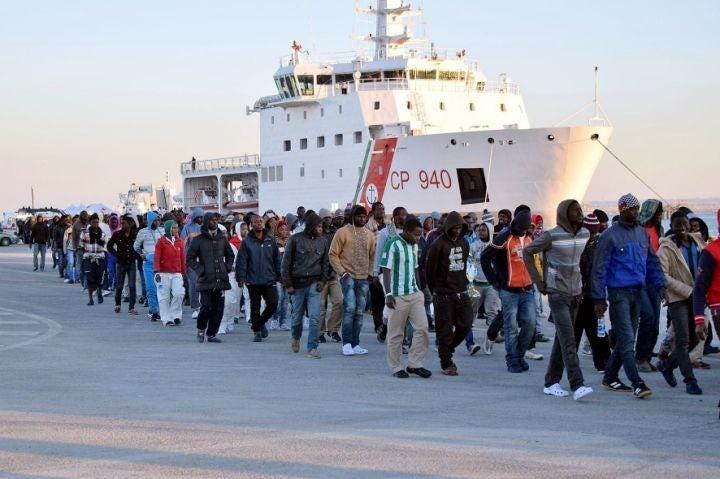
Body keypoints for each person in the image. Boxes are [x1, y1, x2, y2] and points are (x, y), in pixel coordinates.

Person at [591, 194, 668, 398]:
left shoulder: (642, 234)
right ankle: (637, 382)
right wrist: (599, 298)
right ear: (622, 210)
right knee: (626, 337)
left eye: (637, 209)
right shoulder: (610, 236)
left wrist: (661, 286)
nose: (636, 212)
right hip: (618, 294)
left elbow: (652, 262)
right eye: (632, 209)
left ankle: (609, 377)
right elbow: (599, 269)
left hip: (638, 292)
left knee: (628, 338)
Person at [523, 200, 593, 400]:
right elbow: (527, 252)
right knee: (569, 340)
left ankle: (551, 382)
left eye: (580, 210)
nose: (580, 213)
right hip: (557, 294)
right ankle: (577, 384)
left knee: (561, 339)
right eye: (575, 210)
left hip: (576, 294)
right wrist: (539, 281)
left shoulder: (584, 234)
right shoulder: (551, 236)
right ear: (564, 214)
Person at [481, 210, 536, 373]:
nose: (524, 230)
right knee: (510, 327)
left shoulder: (529, 237)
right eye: (522, 228)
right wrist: (495, 281)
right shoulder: (504, 237)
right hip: (509, 290)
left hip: (527, 288)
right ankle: (512, 359)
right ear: (516, 225)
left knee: (530, 323)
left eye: (526, 228)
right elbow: (485, 257)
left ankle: (518, 355)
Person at [655, 212, 704, 395]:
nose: (682, 228)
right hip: (678, 299)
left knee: (695, 339)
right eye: (678, 224)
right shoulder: (665, 249)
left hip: (697, 298)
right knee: (682, 340)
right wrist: (688, 291)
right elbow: (664, 277)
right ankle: (690, 380)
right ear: (672, 226)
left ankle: (667, 365)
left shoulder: (698, 242)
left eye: (685, 224)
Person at [380, 217, 431, 378]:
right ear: (407, 231)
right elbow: (385, 269)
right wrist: (388, 294)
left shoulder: (414, 246)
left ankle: (415, 363)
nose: (418, 238)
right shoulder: (393, 243)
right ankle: (396, 367)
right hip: (397, 295)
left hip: (414, 294)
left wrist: (419, 289)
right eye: (416, 235)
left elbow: (415, 268)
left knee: (422, 328)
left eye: (420, 235)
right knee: (396, 333)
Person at [425, 211, 473, 376]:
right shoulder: (438, 245)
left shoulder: (464, 243)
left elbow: (465, 264)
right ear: (448, 227)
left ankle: (447, 348)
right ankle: (446, 362)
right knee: (444, 330)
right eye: (454, 228)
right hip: (443, 294)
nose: (457, 231)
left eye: (460, 228)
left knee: (466, 323)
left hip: (461, 291)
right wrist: (435, 291)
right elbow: (430, 271)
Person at [329, 205, 376, 356]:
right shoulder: (342, 232)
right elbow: (333, 254)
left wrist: (370, 273)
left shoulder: (369, 235)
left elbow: (372, 255)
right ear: (353, 217)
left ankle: (356, 344)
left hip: (363, 278)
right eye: (359, 216)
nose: (362, 219)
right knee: (349, 309)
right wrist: (342, 273)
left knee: (359, 312)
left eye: (364, 217)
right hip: (347, 277)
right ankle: (347, 344)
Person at [282, 212, 329, 359]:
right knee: (297, 318)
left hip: (314, 285)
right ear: (310, 226)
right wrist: (288, 284)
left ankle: (312, 348)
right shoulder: (295, 240)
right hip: (297, 285)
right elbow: (285, 263)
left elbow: (325, 263)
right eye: (318, 226)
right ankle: (296, 337)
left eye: (322, 226)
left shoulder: (323, 241)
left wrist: (322, 281)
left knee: (315, 317)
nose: (321, 229)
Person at [187, 213, 235, 343]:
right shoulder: (199, 239)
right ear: (207, 222)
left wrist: (227, 267)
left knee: (219, 308)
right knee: (206, 306)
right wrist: (200, 270)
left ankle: (212, 333)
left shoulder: (222, 239)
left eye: (216, 220)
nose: (214, 222)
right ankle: (201, 329)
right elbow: (190, 258)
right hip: (206, 279)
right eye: (212, 220)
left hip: (221, 278)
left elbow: (230, 255)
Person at [574, 213, 611, 372]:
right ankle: (600, 363)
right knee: (581, 332)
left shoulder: (593, 246)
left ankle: (603, 362)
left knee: (596, 331)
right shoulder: (585, 246)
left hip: (591, 296)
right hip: (582, 296)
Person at [235, 214, 281, 342]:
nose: (259, 223)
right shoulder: (246, 242)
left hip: (269, 279)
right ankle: (257, 332)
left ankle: (259, 323)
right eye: (256, 222)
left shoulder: (270, 240)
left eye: (261, 221)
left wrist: (279, 275)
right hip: (253, 280)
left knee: (273, 304)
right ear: (252, 224)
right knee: (255, 307)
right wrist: (241, 277)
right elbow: (242, 261)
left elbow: (277, 259)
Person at [636, 199, 664, 372]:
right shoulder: (638, 230)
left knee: (655, 322)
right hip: (639, 280)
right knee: (647, 317)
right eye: (658, 213)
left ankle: (646, 356)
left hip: (654, 280)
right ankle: (640, 358)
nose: (660, 216)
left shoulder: (658, 230)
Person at [373, 206, 408, 342]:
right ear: (395, 217)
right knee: (392, 302)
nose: (404, 218)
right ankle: (386, 325)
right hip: (387, 274)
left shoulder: (408, 232)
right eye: (401, 215)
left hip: (403, 273)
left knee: (402, 304)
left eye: (406, 215)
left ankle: (398, 334)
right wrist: (375, 273)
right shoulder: (385, 232)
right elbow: (379, 253)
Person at [467, 223, 500, 355]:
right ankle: (470, 343)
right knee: (470, 313)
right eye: (479, 230)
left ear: (490, 230)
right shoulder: (473, 246)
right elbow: (469, 263)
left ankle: (490, 338)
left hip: (491, 285)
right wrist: (469, 281)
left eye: (484, 229)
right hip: (475, 284)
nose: (481, 232)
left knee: (492, 312)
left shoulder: (495, 246)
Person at [154, 220, 186, 327]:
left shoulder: (179, 242)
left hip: (176, 273)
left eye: (177, 227)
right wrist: (157, 271)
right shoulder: (161, 242)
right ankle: (166, 318)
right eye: (174, 228)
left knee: (179, 293)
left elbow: (182, 258)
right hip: (163, 273)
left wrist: (183, 272)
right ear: (168, 229)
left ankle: (175, 315)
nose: (177, 230)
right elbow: (157, 257)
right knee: (164, 297)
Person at [319, 209, 343, 343]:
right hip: (320, 276)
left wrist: (336, 270)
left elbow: (339, 253)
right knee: (321, 306)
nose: (328, 220)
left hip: (334, 274)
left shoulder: (336, 232)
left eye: (329, 217)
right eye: (325, 218)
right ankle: (319, 332)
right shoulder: (316, 232)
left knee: (339, 302)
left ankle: (333, 329)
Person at [107, 214, 139, 315]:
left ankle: (132, 307)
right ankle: (117, 305)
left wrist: (137, 256)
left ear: (130, 224)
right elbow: (109, 246)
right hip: (120, 263)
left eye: (124, 223)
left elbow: (139, 247)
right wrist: (116, 254)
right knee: (119, 285)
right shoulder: (117, 234)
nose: (122, 225)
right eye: (122, 223)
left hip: (131, 263)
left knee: (132, 286)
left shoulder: (135, 235)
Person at [134, 211, 163, 321]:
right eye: (155, 220)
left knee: (161, 289)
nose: (157, 222)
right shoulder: (142, 232)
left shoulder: (163, 232)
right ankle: (154, 311)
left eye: (158, 220)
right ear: (151, 220)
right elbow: (135, 246)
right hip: (148, 265)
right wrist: (142, 254)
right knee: (150, 288)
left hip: (161, 265)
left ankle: (161, 310)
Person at [181, 208, 204, 320]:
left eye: (202, 217)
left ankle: (204, 307)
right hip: (192, 261)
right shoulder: (187, 228)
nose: (201, 219)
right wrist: (185, 260)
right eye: (199, 217)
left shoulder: (205, 227)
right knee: (194, 285)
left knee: (204, 285)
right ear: (195, 217)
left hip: (204, 260)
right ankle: (195, 308)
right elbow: (183, 245)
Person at [80, 214, 107, 306]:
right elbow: (81, 245)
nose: (95, 224)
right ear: (90, 223)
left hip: (100, 258)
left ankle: (99, 292)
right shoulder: (85, 233)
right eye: (93, 222)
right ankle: (90, 299)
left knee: (100, 277)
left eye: (97, 222)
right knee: (89, 278)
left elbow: (105, 245)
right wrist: (87, 253)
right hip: (88, 258)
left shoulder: (102, 233)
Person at [270, 220, 291, 330]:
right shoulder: (273, 242)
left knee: (285, 301)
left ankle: (283, 322)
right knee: (278, 299)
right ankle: (275, 319)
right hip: (276, 275)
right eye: (281, 229)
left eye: (285, 229)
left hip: (287, 276)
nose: (284, 231)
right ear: (277, 230)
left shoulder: (290, 242)